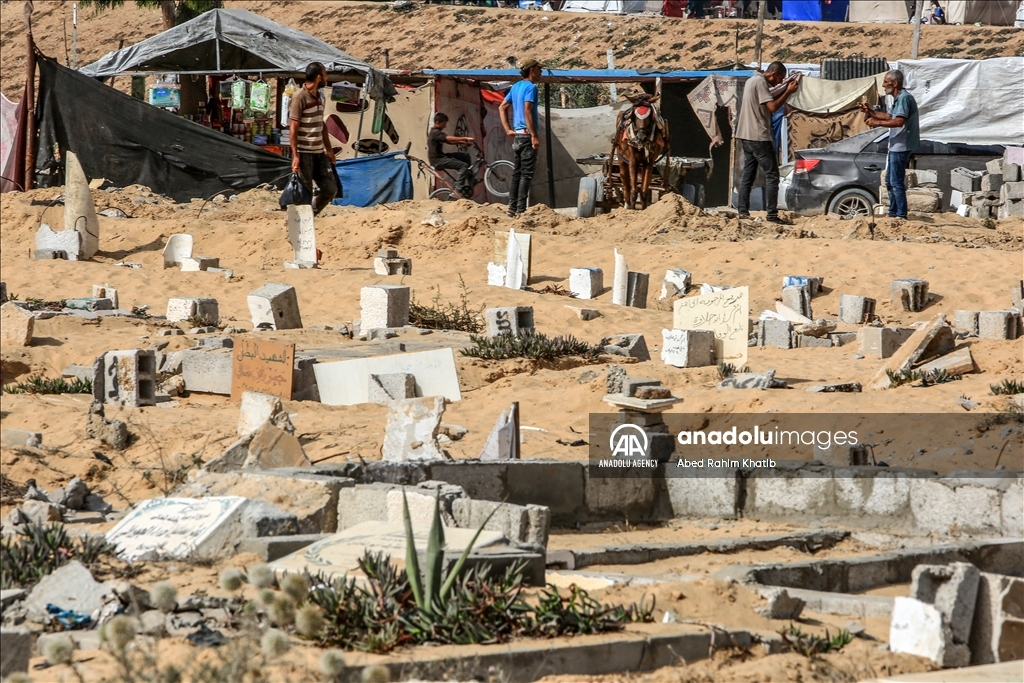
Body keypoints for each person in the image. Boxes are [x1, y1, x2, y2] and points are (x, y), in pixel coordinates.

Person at [735, 61, 799, 223]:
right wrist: (789, 92)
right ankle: (772, 215)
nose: (779, 82)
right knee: (772, 175)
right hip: (759, 136)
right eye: (779, 78)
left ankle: (743, 211)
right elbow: (772, 107)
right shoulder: (761, 83)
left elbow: (767, 100)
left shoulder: (752, 80)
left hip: (745, 135)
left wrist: (784, 89)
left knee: (748, 175)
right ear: (772, 73)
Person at [860, 70, 919, 220]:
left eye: (886, 82)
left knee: (896, 181)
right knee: (889, 181)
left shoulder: (904, 98)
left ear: (895, 83)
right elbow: (889, 116)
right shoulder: (898, 99)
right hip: (895, 145)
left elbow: (899, 121)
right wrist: (871, 112)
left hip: (902, 145)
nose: (883, 85)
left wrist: (877, 123)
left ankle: (900, 214)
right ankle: (893, 212)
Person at [289, 62, 338, 216]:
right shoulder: (299, 97)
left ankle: (309, 215)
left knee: (330, 189)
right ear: (319, 77)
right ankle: (302, 224)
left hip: (319, 153)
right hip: (304, 153)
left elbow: (321, 124)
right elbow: (293, 128)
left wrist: (329, 150)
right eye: (325, 74)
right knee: (305, 192)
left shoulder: (321, 96)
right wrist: (295, 155)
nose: (326, 77)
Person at [500, 58, 542, 218]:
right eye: (539, 69)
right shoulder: (531, 87)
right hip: (526, 136)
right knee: (526, 174)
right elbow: (527, 111)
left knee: (517, 173)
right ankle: (520, 209)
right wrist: (534, 135)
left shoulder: (516, 86)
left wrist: (508, 130)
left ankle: (511, 207)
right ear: (532, 70)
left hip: (517, 136)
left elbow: (502, 106)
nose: (541, 72)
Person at [428, 113, 476, 199]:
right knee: (463, 166)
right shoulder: (435, 133)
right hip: (438, 160)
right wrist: (465, 138)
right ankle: (457, 189)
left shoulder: (437, 133)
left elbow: (448, 142)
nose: (445, 126)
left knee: (465, 156)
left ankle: (471, 180)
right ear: (438, 122)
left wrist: (463, 143)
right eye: (444, 124)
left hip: (441, 157)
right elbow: (448, 139)